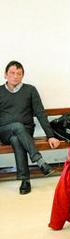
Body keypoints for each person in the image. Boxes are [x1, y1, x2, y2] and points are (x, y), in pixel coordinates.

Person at [0, 60, 59, 194]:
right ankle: (39, 161)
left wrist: (50, 136)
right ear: (5, 75)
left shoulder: (30, 90)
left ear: (22, 76)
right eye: (12, 73)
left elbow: (40, 113)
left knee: (17, 139)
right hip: (4, 131)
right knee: (16, 126)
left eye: (19, 74)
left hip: (25, 132)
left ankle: (25, 180)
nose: (15, 76)